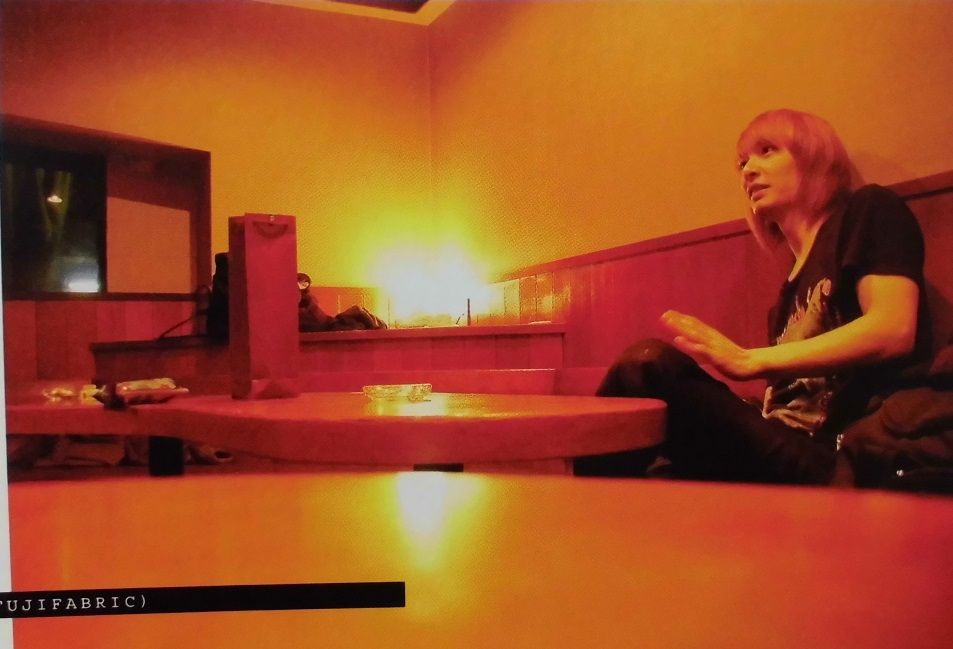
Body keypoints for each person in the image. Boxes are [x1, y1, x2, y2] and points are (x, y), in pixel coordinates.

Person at [593, 109, 930, 484]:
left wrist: (749, 360)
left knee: (647, 367)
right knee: (659, 476)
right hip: (784, 440)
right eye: (743, 163)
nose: (749, 171)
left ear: (814, 156)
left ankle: (570, 502)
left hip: (839, 456)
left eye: (767, 151)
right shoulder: (787, 295)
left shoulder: (867, 210)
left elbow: (893, 329)